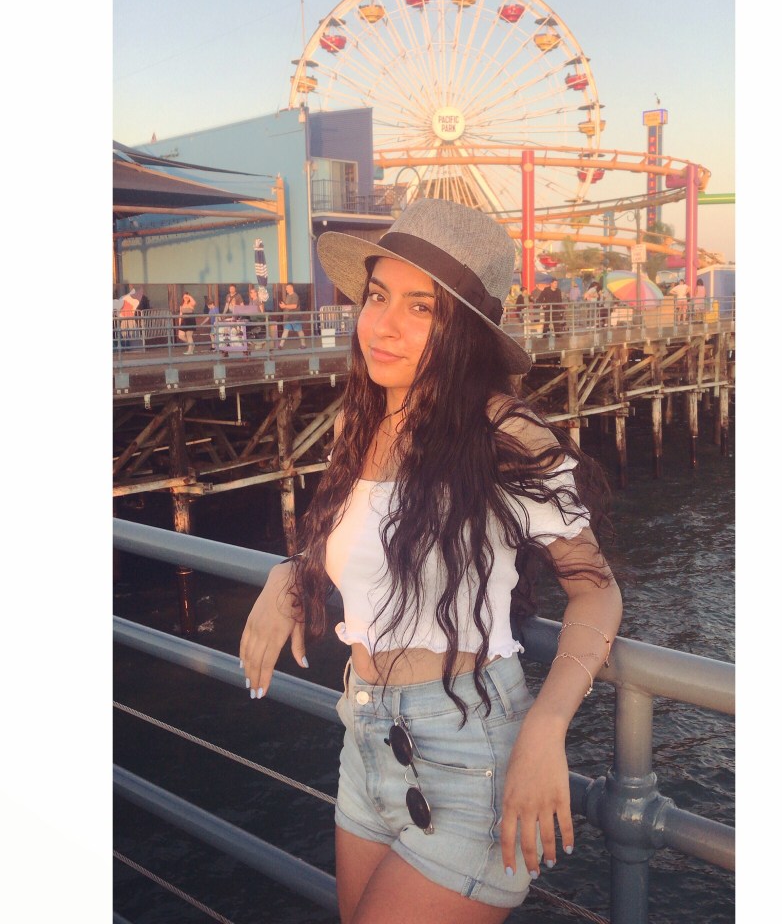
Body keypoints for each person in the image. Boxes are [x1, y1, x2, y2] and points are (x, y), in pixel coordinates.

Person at [239, 198, 622, 922]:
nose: (383, 325)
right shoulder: (362, 422)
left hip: (470, 752)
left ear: (466, 333)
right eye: (378, 296)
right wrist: (289, 572)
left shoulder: (505, 432)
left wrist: (547, 727)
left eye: (422, 308)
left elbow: (595, 590)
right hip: (363, 739)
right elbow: (350, 540)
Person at [278, 283, 307, 349]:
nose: (286, 289)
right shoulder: (288, 296)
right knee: (286, 330)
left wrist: (284, 306)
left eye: (287, 288)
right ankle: (281, 345)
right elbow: (287, 306)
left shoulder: (295, 296)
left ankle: (303, 344)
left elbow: (294, 306)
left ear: (291, 288)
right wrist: (283, 306)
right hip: (288, 317)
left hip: (294, 317)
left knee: (299, 330)